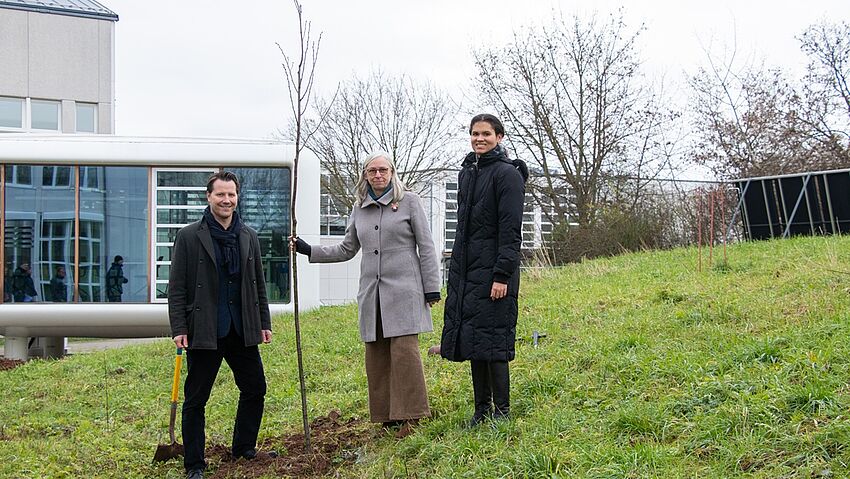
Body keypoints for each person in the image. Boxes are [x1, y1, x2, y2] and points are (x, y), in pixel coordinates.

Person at [291, 151, 441, 438]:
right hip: (373, 294)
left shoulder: (410, 201)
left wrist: (431, 286)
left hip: (406, 291)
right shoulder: (359, 207)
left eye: (383, 170)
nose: (377, 175)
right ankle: (386, 416)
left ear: (392, 172)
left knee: (405, 353)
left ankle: (411, 415)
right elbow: (347, 248)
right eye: (371, 171)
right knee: (377, 355)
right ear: (365, 175)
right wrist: (309, 249)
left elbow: (426, 245)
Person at [168, 171, 274, 479]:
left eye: (231, 195)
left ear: (237, 197)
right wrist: (179, 328)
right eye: (220, 195)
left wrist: (263, 322)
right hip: (204, 329)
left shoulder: (248, 236)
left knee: (255, 388)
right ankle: (195, 464)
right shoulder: (189, 236)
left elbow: (258, 284)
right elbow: (177, 288)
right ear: (209, 197)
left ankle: (244, 448)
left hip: (241, 328)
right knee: (196, 398)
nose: (226, 200)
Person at [440, 114, 528, 426]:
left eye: (486, 134)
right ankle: (481, 412)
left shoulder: (507, 175)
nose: (480, 138)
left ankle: (502, 413)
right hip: (468, 273)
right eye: (475, 134)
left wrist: (502, 275)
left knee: (495, 344)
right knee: (475, 342)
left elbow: (510, 230)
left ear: (499, 137)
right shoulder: (468, 173)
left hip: (494, 274)